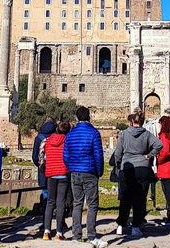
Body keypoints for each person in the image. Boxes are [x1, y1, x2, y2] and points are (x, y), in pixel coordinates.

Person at [114, 111, 163, 237]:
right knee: (139, 198)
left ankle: (121, 224)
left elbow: (118, 152)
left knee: (125, 197)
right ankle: (136, 226)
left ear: (131, 122)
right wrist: (149, 155)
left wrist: (119, 165)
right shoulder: (147, 134)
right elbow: (159, 144)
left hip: (127, 167)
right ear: (142, 122)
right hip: (142, 167)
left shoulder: (124, 134)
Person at [63, 106, 106, 248]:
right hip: (90, 171)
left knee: (77, 203)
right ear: (89, 117)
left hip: (75, 172)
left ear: (76, 118)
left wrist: (71, 167)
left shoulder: (69, 135)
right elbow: (98, 155)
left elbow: (66, 156)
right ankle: (92, 236)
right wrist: (99, 171)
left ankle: (76, 235)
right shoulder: (94, 133)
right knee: (92, 204)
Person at [43, 121, 71, 240]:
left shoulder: (49, 141)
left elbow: (45, 155)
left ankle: (46, 231)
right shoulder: (67, 141)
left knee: (50, 202)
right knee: (60, 203)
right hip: (63, 174)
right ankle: (59, 232)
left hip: (51, 173)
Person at [33, 116, 57, 217]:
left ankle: (45, 221)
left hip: (43, 171)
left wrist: (40, 166)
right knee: (58, 196)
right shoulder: (58, 136)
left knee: (46, 196)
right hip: (56, 170)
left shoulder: (39, 138)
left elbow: (35, 156)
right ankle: (61, 222)